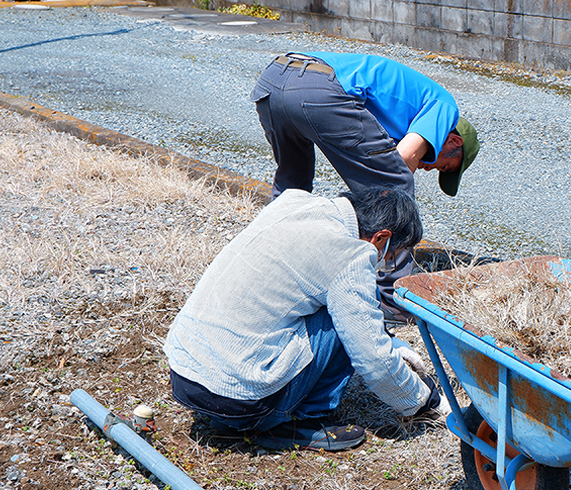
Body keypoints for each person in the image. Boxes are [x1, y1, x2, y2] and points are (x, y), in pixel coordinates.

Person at [163, 187, 440, 451]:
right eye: (389, 256)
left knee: (342, 309)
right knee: (341, 320)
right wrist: (422, 401)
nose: (383, 263)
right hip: (239, 400)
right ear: (380, 237)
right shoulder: (351, 253)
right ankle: (299, 422)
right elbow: (371, 356)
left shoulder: (293, 203)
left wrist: (390, 341)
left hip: (186, 374)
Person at [250, 51, 481, 320]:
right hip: (319, 87)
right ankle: (393, 301)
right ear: (453, 142)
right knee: (396, 185)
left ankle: (264, 262)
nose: (429, 168)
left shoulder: (402, 112)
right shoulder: (445, 106)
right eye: (443, 166)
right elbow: (404, 159)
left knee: (293, 185)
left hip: (274, 78)